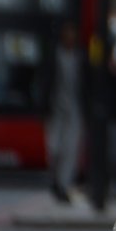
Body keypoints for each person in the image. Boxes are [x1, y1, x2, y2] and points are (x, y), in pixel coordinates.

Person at [46, 21, 82, 204]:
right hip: (56, 108)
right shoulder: (55, 56)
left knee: (70, 149)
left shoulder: (79, 57)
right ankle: (55, 179)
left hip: (74, 109)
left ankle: (63, 185)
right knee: (55, 147)